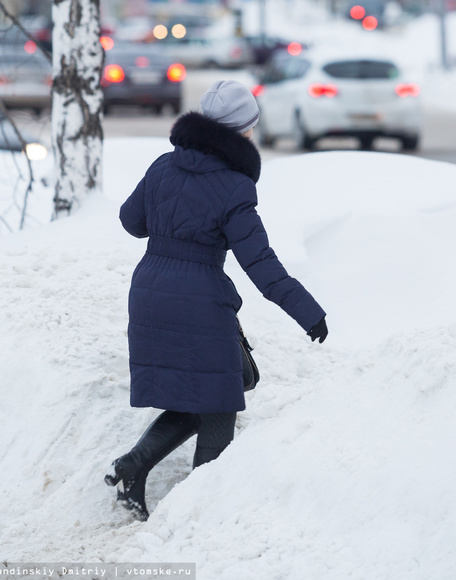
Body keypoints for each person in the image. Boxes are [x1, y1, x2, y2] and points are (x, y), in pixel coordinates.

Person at [105, 80, 328, 521]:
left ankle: (133, 466)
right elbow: (261, 264)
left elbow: (132, 222)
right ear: (242, 131)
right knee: (220, 401)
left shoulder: (163, 166)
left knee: (201, 393)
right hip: (198, 301)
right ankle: (198, 516)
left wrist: (172, 221)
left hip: (149, 291)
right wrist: (310, 312)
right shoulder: (234, 187)